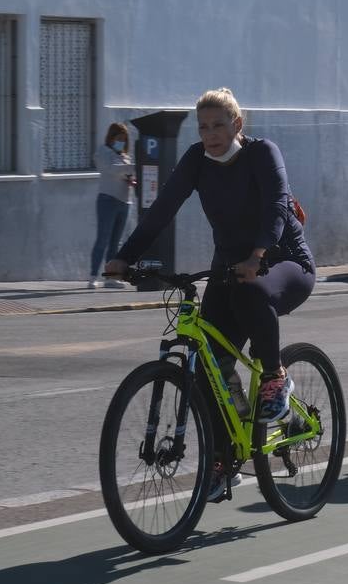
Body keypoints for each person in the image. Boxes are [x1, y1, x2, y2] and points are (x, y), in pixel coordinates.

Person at [106, 86, 315, 437]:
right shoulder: (196, 161)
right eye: (202, 127)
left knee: (251, 294)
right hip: (231, 269)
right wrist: (124, 258)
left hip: (284, 261)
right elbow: (162, 211)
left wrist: (258, 253)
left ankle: (274, 376)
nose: (210, 135)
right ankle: (223, 458)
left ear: (237, 124)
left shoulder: (262, 152)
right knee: (211, 369)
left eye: (218, 126)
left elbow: (278, 204)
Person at [89, 122, 136, 288]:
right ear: (111, 137)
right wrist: (130, 168)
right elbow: (111, 169)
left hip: (124, 201)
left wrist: (131, 179)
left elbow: (126, 174)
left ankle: (110, 277)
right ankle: (93, 276)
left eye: (124, 139)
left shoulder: (125, 156)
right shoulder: (103, 152)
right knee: (103, 238)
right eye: (119, 138)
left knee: (116, 242)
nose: (121, 142)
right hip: (108, 200)